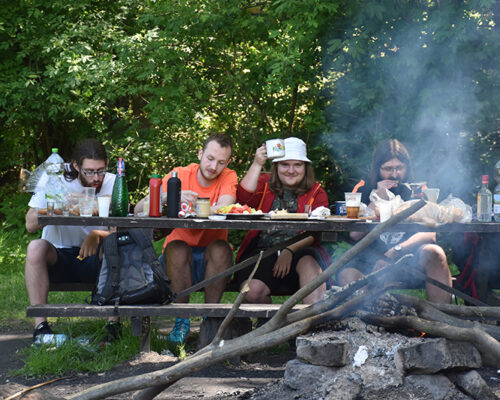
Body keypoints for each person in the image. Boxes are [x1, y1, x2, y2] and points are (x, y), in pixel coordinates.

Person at [134, 133, 237, 343]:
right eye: (209, 158)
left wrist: (205, 204)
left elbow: (226, 204)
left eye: (220, 162)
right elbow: (138, 210)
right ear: (200, 153)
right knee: (177, 247)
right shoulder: (178, 174)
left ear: (227, 163)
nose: (213, 166)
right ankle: (182, 319)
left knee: (220, 248)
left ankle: (211, 319)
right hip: (176, 261)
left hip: (213, 259)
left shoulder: (229, 176)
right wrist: (169, 196)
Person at [337, 139, 452, 303]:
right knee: (347, 275)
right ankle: (366, 325)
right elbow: (355, 234)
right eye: (388, 169)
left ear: (407, 167)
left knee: (435, 252)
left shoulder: (417, 189)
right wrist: (377, 197)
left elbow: (430, 234)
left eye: (399, 168)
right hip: (370, 261)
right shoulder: (363, 188)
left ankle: (441, 321)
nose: (394, 174)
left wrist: (396, 250)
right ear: (378, 169)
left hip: (409, 258)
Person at [25, 139, 117, 340]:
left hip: (96, 258)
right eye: (89, 171)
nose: (96, 178)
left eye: (100, 170)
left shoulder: (113, 182)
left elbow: (120, 231)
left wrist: (98, 234)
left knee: (115, 246)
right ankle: (41, 328)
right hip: (59, 256)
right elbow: (30, 223)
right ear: (76, 166)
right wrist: (56, 207)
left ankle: (113, 326)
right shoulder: (55, 177)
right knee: (35, 248)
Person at [234, 137, 329, 305]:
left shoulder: (316, 191)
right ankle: (271, 326)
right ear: (276, 167)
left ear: (305, 167)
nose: (291, 170)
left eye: (297, 165)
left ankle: (313, 323)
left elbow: (315, 232)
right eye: (285, 164)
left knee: (310, 267)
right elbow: (243, 199)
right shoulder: (264, 183)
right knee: (252, 291)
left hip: (302, 249)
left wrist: (288, 250)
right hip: (265, 249)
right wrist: (257, 163)